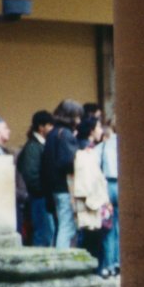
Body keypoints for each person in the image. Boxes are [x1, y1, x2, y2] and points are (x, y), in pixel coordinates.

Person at [41, 99, 84, 248]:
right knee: (67, 227)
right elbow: (67, 162)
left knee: (61, 226)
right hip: (64, 187)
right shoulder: (65, 134)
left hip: (54, 187)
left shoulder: (52, 133)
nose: (78, 120)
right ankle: (63, 261)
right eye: (77, 116)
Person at [72, 115, 112, 269]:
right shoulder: (84, 151)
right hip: (91, 200)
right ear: (91, 131)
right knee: (92, 239)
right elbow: (87, 179)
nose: (100, 130)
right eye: (98, 127)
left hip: (94, 198)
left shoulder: (88, 148)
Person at [17, 110, 56, 247]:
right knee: (43, 233)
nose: (52, 129)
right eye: (49, 125)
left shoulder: (37, 145)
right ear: (41, 127)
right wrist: (42, 189)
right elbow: (30, 174)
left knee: (45, 232)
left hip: (41, 195)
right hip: (39, 197)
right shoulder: (33, 147)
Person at [98, 116, 120, 276]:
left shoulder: (104, 145)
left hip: (106, 185)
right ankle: (120, 261)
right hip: (122, 185)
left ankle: (108, 264)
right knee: (122, 227)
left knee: (108, 227)